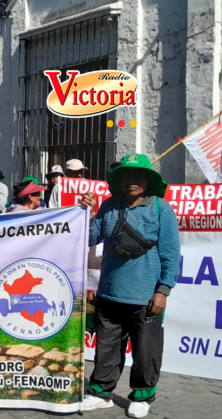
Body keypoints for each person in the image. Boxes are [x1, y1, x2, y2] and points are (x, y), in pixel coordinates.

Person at [81, 154, 180, 418]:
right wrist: (89, 213)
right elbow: (90, 237)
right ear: (119, 180)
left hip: (145, 298)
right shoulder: (109, 205)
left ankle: (142, 395)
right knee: (106, 348)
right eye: (127, 175)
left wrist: (163, 291)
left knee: (146, 351)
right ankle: (100, 393)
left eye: (138, 176)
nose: (132, 180)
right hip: (109, 294)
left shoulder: (161, 209)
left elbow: (171, 256)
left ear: (148, 180)